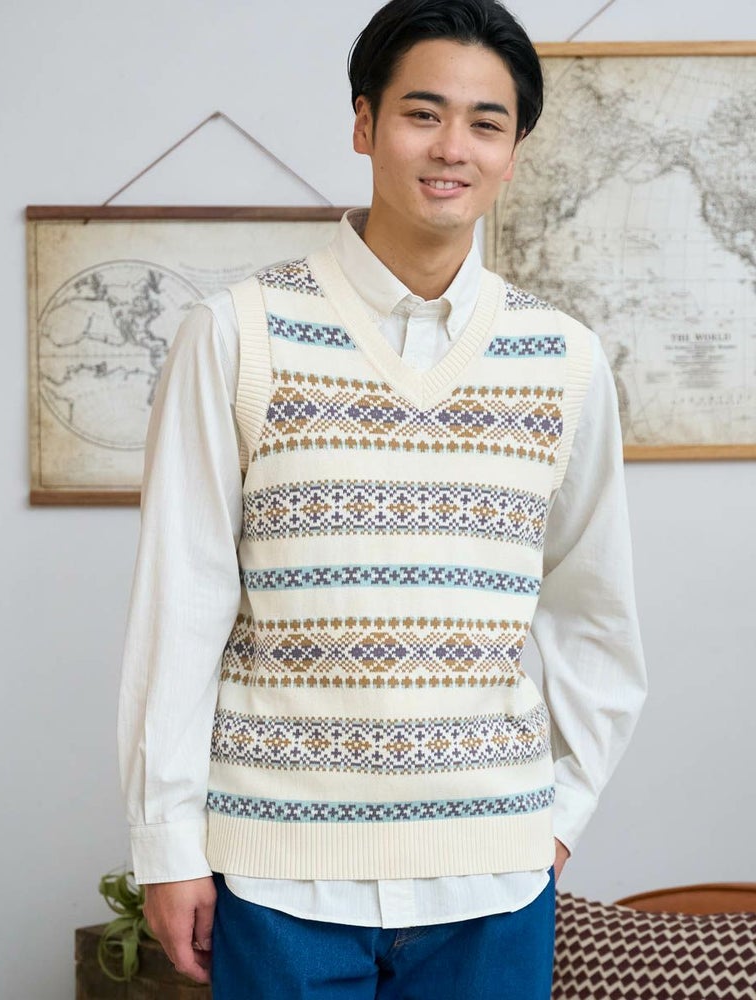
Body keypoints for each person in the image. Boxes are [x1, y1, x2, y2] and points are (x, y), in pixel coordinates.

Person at [118, 0, 647, 996]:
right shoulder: (235, 335)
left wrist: (559, 816)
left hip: (493, 884)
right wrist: (166, 842)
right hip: (276, 879)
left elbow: (596, 616)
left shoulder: (564, 359)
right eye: (421, 113)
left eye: (485, 123)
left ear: (512, 151)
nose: (452, 148)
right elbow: (179, 606)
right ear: (364, 124)